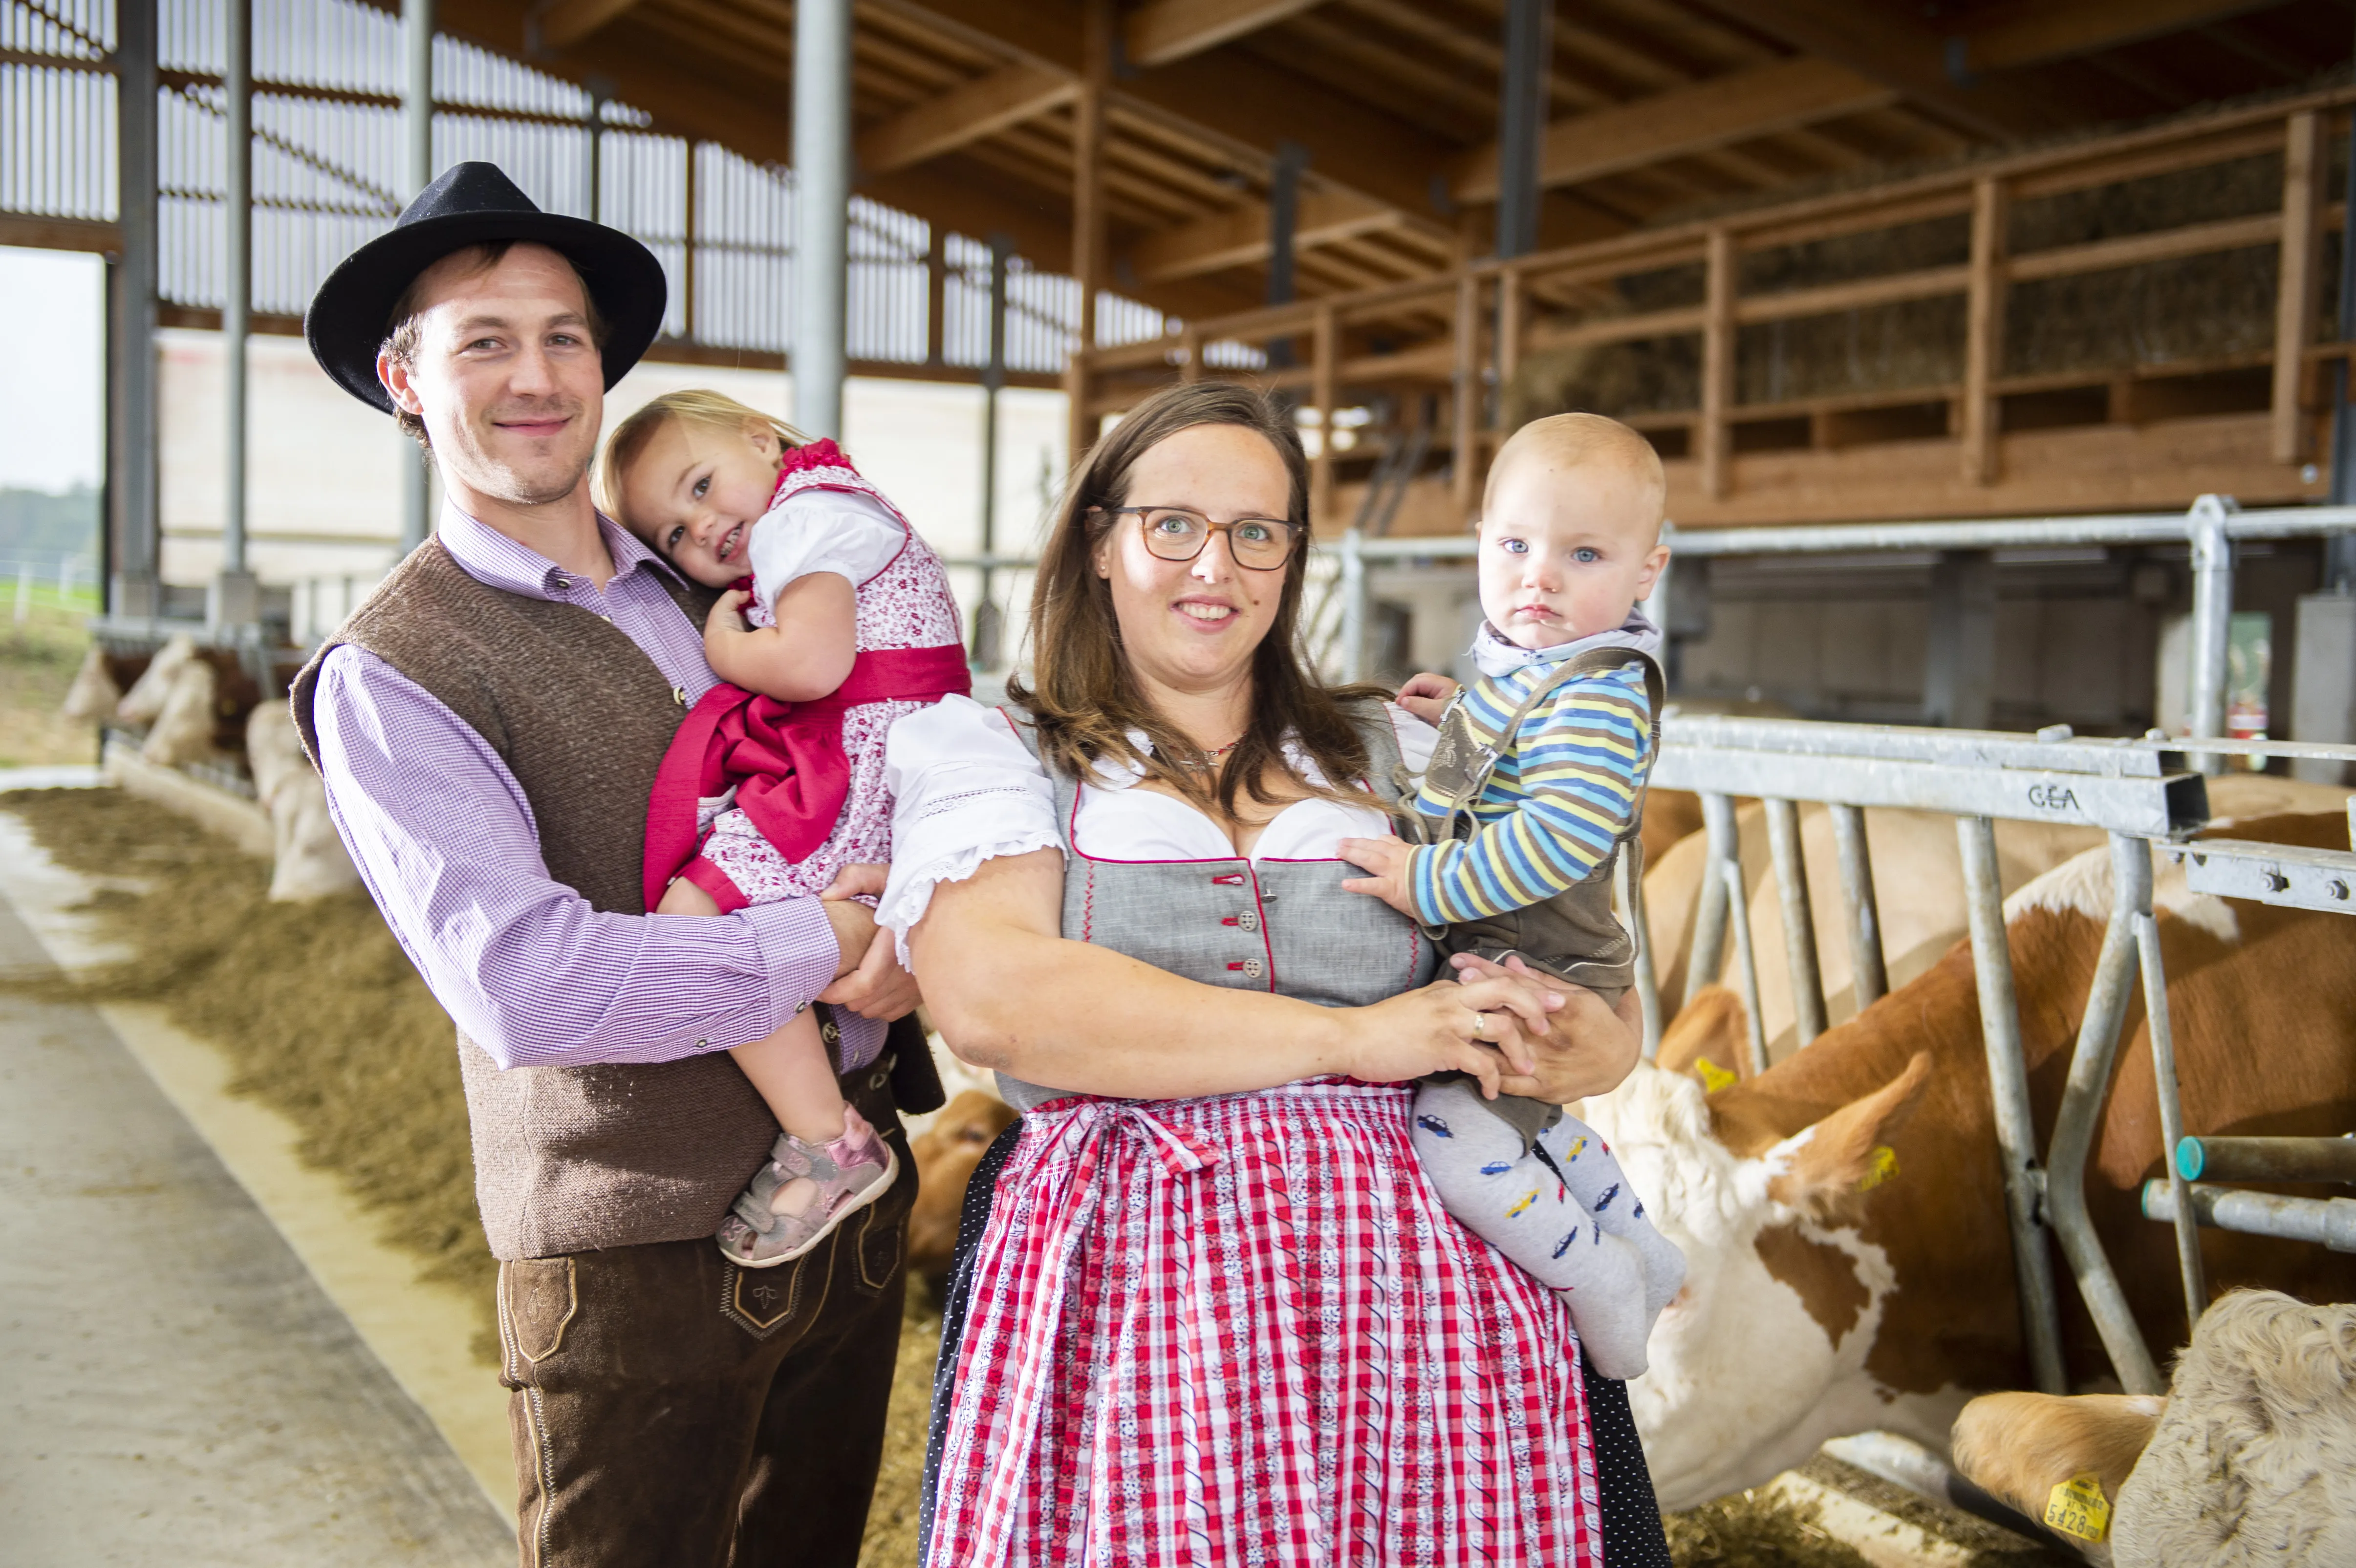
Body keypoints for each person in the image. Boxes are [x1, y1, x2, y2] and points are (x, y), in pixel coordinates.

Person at [885, 381, 1671, 1566]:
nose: (1219, 564)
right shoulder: (1000, 754)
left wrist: (1590, 1041)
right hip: (1139, 1294)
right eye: (1173, 525)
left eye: (1258, 532)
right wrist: (1357, 1038)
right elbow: (996, 1001)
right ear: (1099, 539)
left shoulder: (1400, 746)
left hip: (1432, 1305)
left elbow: (1601, 1010)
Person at [288, 162, 936, 1568]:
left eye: (563, 336)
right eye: (484, 342)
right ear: (405, 378)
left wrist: (924, 922)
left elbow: (885, 750)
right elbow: (527, 985)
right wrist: (827, 941)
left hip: (854, 1214)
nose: (534, 376)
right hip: (636, 1260)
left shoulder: (718, 571)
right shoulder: (397, 672)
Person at [1336, 412, 1686, 1379]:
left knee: (1457, 1138)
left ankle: (1598, 1280)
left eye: (1583, 552)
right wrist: (1455, 722)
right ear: (1480, 543)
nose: (1540, 574)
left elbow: (1554, 835)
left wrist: (1423, 880)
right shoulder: (1520, 664)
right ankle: (1647, 1248)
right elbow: (1489, 780)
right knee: (1531, 1120)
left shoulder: (1599, 691)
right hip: (1510, 944)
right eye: (1516, 545)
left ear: (1645, 571)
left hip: (1547, 954)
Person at [600, 390, 969, 1267]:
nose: (702, 529)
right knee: (720, 924)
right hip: (879, 752)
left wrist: (726, 653)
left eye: (700, 485)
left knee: (695, 925)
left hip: (854, 766)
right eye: (675, 537)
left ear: (762, 441)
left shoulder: (804, 521)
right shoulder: (833, 506)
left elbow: (810, 663)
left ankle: (828, 1142)